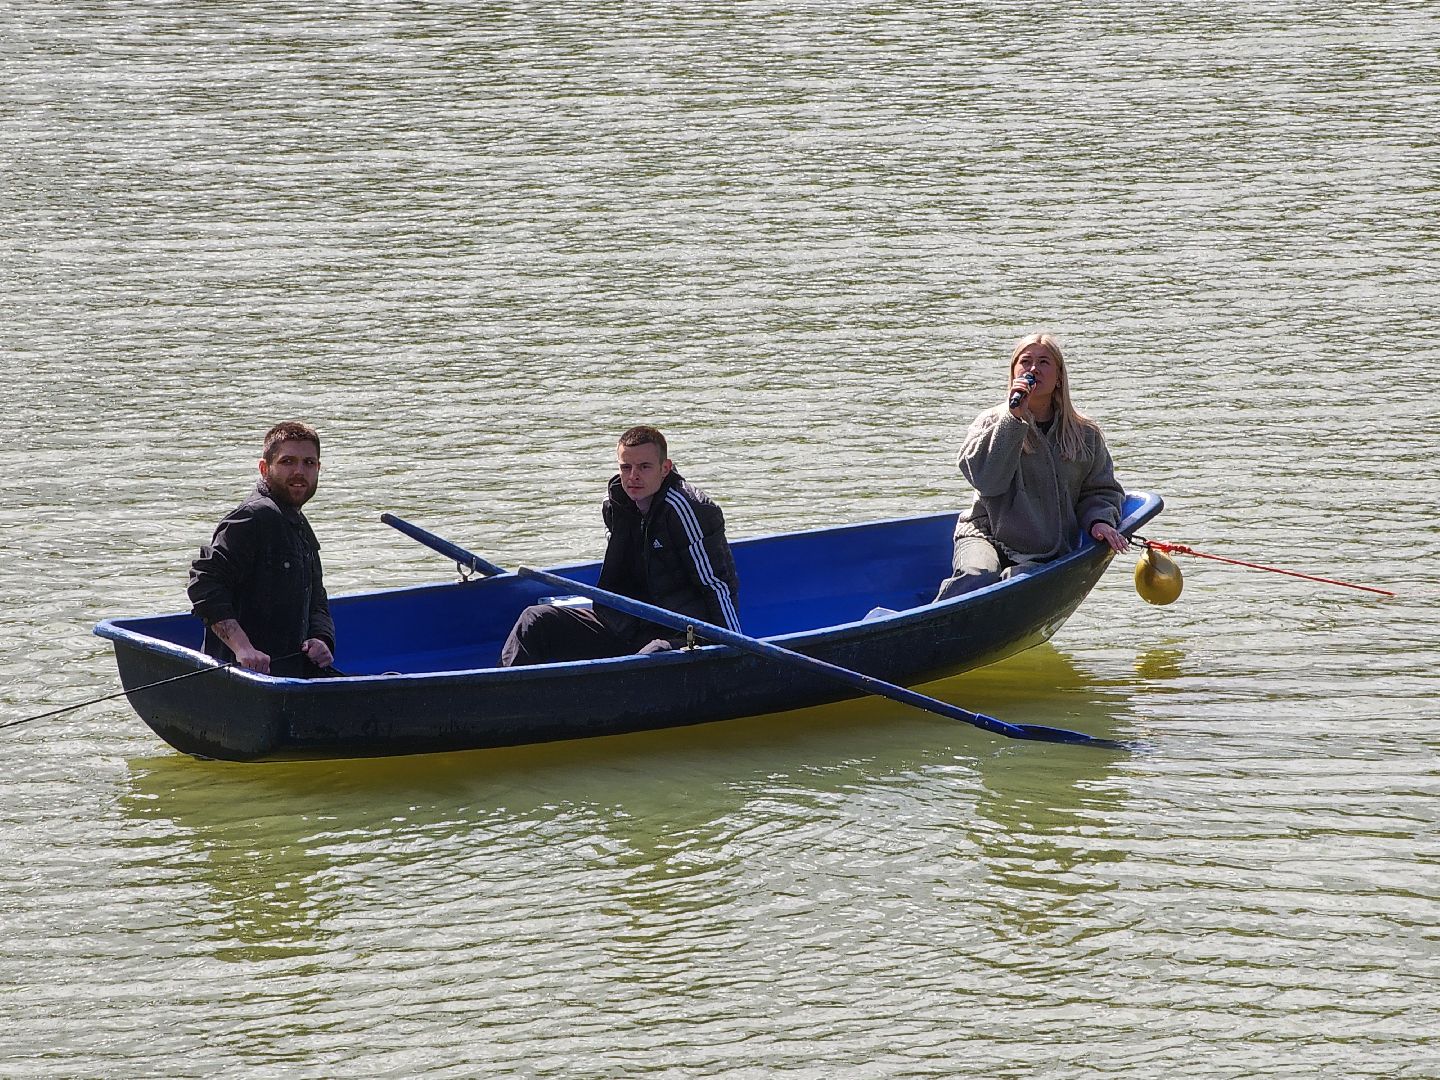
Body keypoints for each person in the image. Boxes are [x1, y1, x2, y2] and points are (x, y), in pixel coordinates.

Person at [500, 425, 741, 666]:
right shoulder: (614, 504)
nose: (633, 476)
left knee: (653, 654)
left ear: (664, 468)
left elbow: (717, 585)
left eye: (644, 467)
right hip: (629, 625)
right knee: (535, 620)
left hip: (683, 632)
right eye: (626, 467)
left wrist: (733, 649)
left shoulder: (688, 509)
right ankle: (504, 686)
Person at [934, 333, 1129, 601]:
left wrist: (1099, 521)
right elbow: (987, 482)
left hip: (1045, 549)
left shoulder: (1083, 433)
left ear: (1059, 377)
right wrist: (1012, 421)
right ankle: (930, 622)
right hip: (985, 534)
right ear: (1014, 372)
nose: (1034, 368)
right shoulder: (990, 422)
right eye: (1025, 361)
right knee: (977, 576)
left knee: (1018, 582)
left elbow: (1101, 490)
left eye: (1044, 362)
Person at [187, 421, 338, 677]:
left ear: (318, 469)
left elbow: (317, 598)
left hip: (292, 674)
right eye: (287, 462)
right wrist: (243, 648)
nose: (299, 471)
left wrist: (321, 638)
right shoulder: (252, 518)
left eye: (308, 463)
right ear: (264, 468)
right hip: (242, 678)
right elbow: (204, 583)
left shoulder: (297, 523)